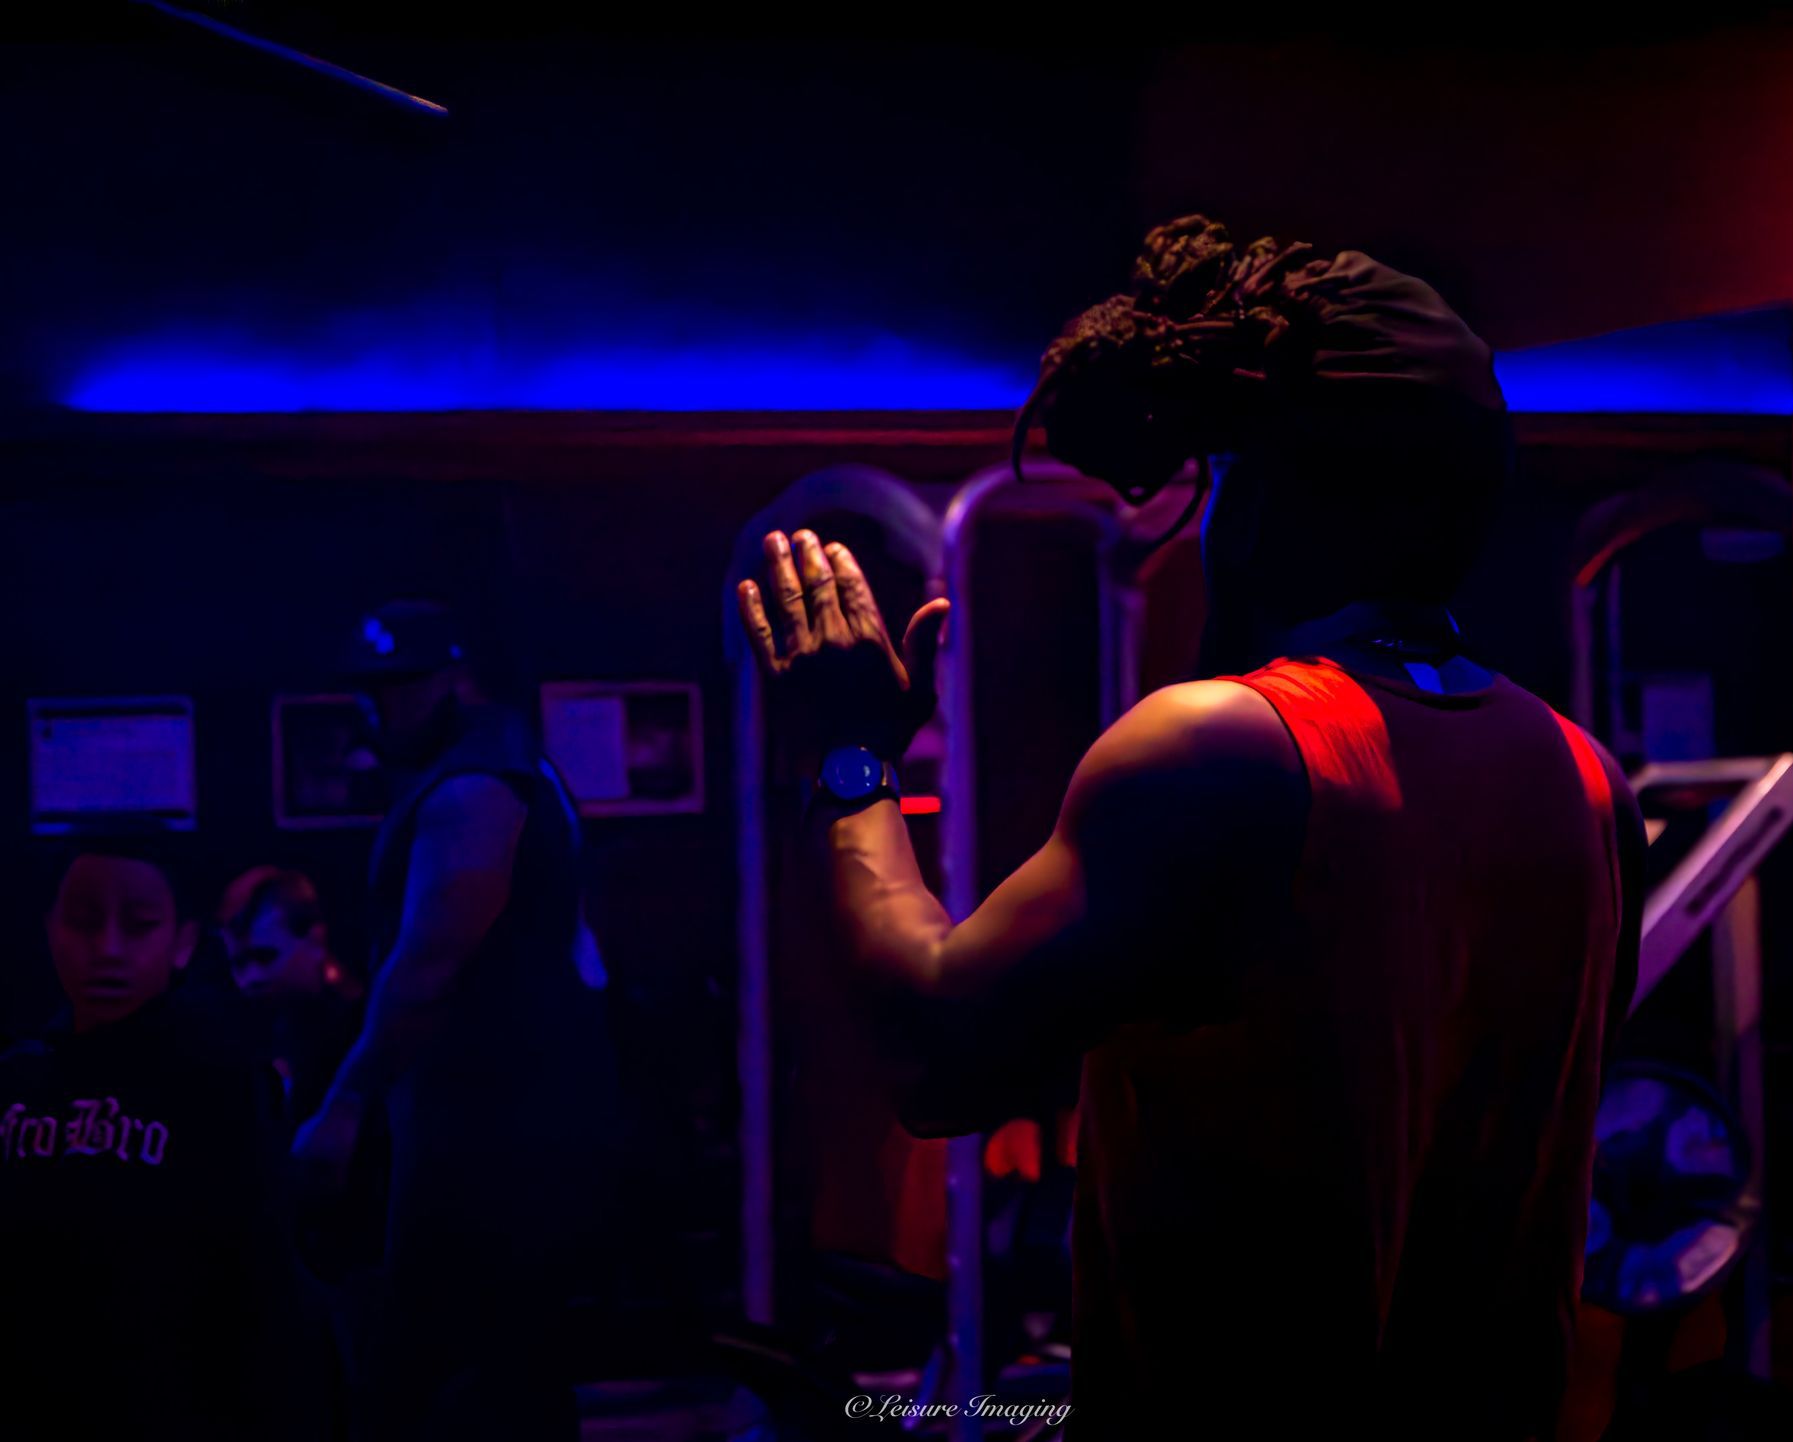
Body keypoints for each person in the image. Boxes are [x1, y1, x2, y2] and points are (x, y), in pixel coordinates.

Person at [736, 216, 1645, 1440]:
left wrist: (847, 761)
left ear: (1264, 500)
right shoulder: (1589, 780)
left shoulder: (1223, 745)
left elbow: (939, 1056)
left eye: (1220, 482)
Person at [292, 600, 616, 1442]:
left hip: (491, 1129)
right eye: (365, 691)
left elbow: (430, 961)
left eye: (394, 688)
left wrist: (345, 1105)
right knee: (499, 1370)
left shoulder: (476, 784)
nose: (373, 710)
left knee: (446, 1377)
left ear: (450, 680)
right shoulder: (497, 764)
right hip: (504, 1119)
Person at [0, 842, 318, 1441]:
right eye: (85, 923)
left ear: (182, 942)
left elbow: (263, 1282)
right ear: (49, 930)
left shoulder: (220, 1082)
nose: (109, 949)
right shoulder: (18, 1080)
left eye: (140, 926)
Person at [219, 866, 366, 1123]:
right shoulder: (252, 1030)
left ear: (314, 939)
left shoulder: (360, 1027)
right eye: (238, 964)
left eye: (265, 957)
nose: (251, 979)